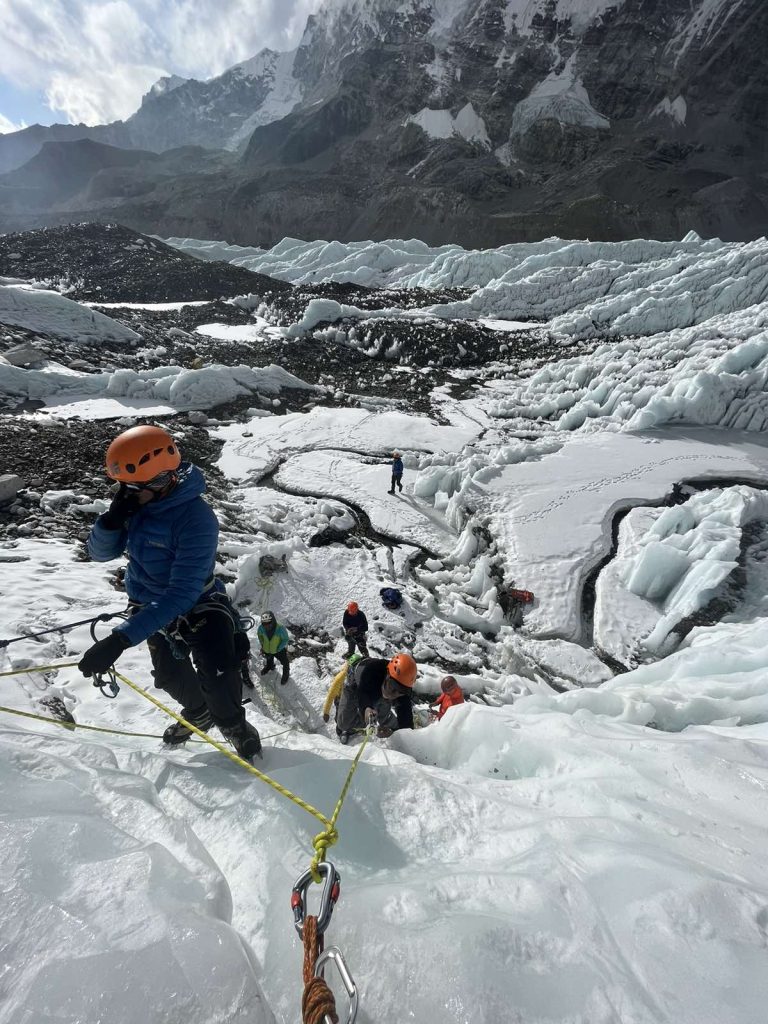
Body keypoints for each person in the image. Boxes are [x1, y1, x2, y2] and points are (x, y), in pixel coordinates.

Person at [77, 424, 262, 763]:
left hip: (197, 602)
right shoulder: (136, 504)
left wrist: (119, 640)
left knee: (219, 672)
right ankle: (199, 712)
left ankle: (234, 724)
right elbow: (100, 554)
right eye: (122, 487)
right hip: (148, 603)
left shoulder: (196, 518)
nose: (123, 493)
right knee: (169, 677)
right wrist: (112, 520)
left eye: (131, 487)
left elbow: (182, 593)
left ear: (162, 481)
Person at [335, 652, 416, 743]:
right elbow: (363, 693)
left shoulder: (402, 686)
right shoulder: (372, 671)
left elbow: (406, 722)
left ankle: (368, 721)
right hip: (355, 686)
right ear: (387, 674)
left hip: (380, 689)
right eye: (393, 686)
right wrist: (366, 709)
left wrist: (393, 732)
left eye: (401, 691)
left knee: (382, 716)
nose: (394, 694)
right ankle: (342, 712)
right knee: (343, 724)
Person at [257, 610, 290, 684]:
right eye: (264, 623)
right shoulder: (261, 628)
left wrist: (279, 648)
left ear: (273, 621)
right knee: (269, 658)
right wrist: (263, 644)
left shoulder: (280, 628)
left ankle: (286, 674)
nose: (266, 625)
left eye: (268, 623)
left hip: (279, 650)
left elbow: (285, 639)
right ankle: (269, 666)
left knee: (285, 662)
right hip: (267, 649)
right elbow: (260, 636)